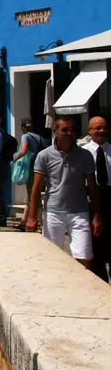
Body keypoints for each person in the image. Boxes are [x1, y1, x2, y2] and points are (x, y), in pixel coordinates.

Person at [27, 115, 102, 268]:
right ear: (55, 132)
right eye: (65, 130)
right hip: (53, 212)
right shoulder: (44, 156)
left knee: (84, 255)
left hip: (79, 211)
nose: (70, 133)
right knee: (52, 256)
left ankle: (81, 287)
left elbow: (93, 187)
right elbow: (36, 188)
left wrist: (97, 215)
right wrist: (32, 216)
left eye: (72, 130)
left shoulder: (85, 155)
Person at [84, 116, 111, 281]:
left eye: (104, 127)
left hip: (110, 197)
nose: (101, 131)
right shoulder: (83, 152)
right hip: (90, 199)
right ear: (90, 131)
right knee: (96, 244)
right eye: (97, 128)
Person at [13, 118, 46, 231]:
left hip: (31, 167)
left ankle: (41, 224)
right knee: (30, 195)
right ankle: (23, 220)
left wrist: (15, 160)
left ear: (23, 127)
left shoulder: (25, 136)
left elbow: (24, 150)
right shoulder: (39, 138)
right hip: (40, 168)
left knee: (34, 195)